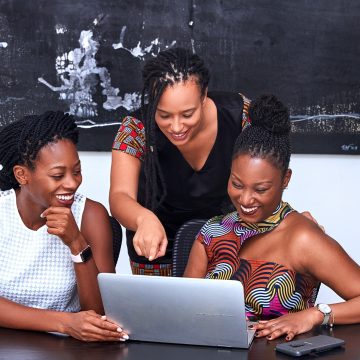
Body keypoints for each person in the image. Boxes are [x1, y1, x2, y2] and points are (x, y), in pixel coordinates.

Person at [184, 94, 360, 340]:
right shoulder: (212, 232)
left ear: (285, 179)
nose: (245, 199)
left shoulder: (303, 237)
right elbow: (182, 309)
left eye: (260, 189)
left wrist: (315, 315)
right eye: (237, 183)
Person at [110, 46, 253, 275]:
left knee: (220, 310)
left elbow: (266, 179)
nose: (176, 127)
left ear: (204, 95)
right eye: (163, 115)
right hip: (156, 249)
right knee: (160, 311)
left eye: (187, 114)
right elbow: (119, 196)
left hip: (226, 243)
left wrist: (286, 219)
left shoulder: (242, 116)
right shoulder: (135, 129)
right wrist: (143, 219)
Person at [0, 111, 128, 342]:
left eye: (77, 171)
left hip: (64, 349)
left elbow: (101, 313)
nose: (72, 183)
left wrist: (77, 243)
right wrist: (64, 322)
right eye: (58, 175)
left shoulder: (90, 215)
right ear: (21, 175)